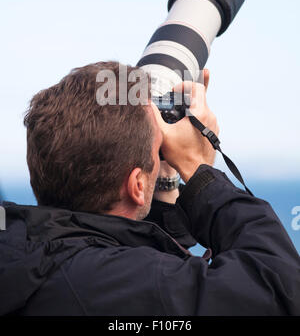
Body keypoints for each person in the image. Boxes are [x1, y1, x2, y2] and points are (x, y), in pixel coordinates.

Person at [0, 61, 299, 316]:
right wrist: (197, 168)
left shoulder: (22, 247)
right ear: (137, 186)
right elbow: (281, 289)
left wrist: (164, 177)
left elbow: (127, 242)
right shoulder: (123, 283)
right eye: (161, 147)